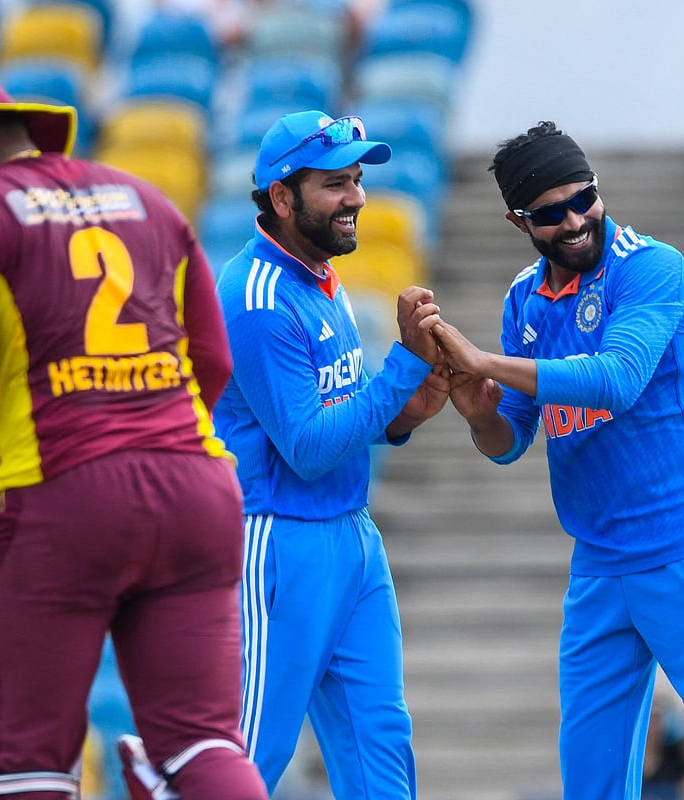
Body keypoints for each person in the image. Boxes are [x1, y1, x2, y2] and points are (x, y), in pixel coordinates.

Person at [0, 73, 268, 800]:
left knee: (26, 758)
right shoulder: (147, 200)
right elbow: (213, 362)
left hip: (64, 498)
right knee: (202, 743)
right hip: (198, 488)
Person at [427, 120, 684, 799]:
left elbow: (617, 379)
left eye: (582, 199)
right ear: (517, 219)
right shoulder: (521, 301)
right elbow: (509, 439)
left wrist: (486, 361)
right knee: (591, 781)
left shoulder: (652, 267)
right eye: (550, 213)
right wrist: (474, 405)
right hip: (599, 562)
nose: (573, 221)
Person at [212, 109, 449, 798]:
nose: (356, 198)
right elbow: (310, 448)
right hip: (280, 544)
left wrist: (403, 416)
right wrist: (403, 369)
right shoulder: (255, 297)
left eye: (355, 180)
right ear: (282, 198)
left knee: (382, 755)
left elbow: (340, 412)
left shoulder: (318, 274)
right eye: (334, 185)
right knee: (250, 757)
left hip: (351, 538)